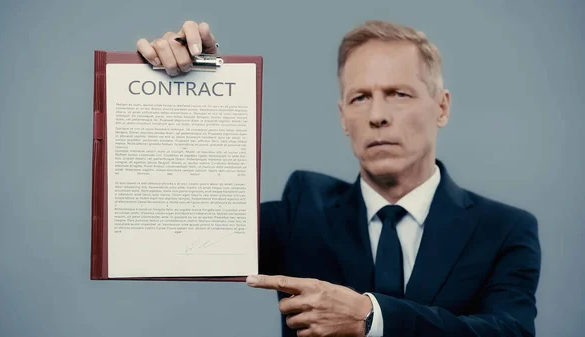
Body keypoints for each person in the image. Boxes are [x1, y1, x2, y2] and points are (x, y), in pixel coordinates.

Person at [136, 20, 541, 337]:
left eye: (398, 94)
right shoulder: (301, 211)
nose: (376, 115)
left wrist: (372, 318)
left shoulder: (504, 229)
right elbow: (174, 232)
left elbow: (510, 332)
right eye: (359, 97)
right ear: (343, 117)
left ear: (442, 107)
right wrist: (188, 86)